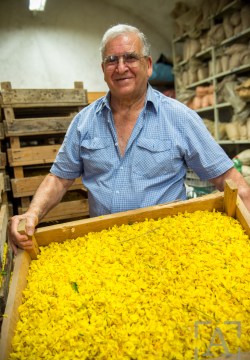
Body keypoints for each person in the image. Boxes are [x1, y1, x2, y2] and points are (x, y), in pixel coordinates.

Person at [8, 24, 250, 253]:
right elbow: (59, 179)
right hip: (106, 248)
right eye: (112, 60)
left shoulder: (180, 118)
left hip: (169, 246)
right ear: (103, 70)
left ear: (148, 65)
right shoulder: (84, 122)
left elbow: (228, 178)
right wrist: (32, 214)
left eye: (130, 58)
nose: (121, 67)